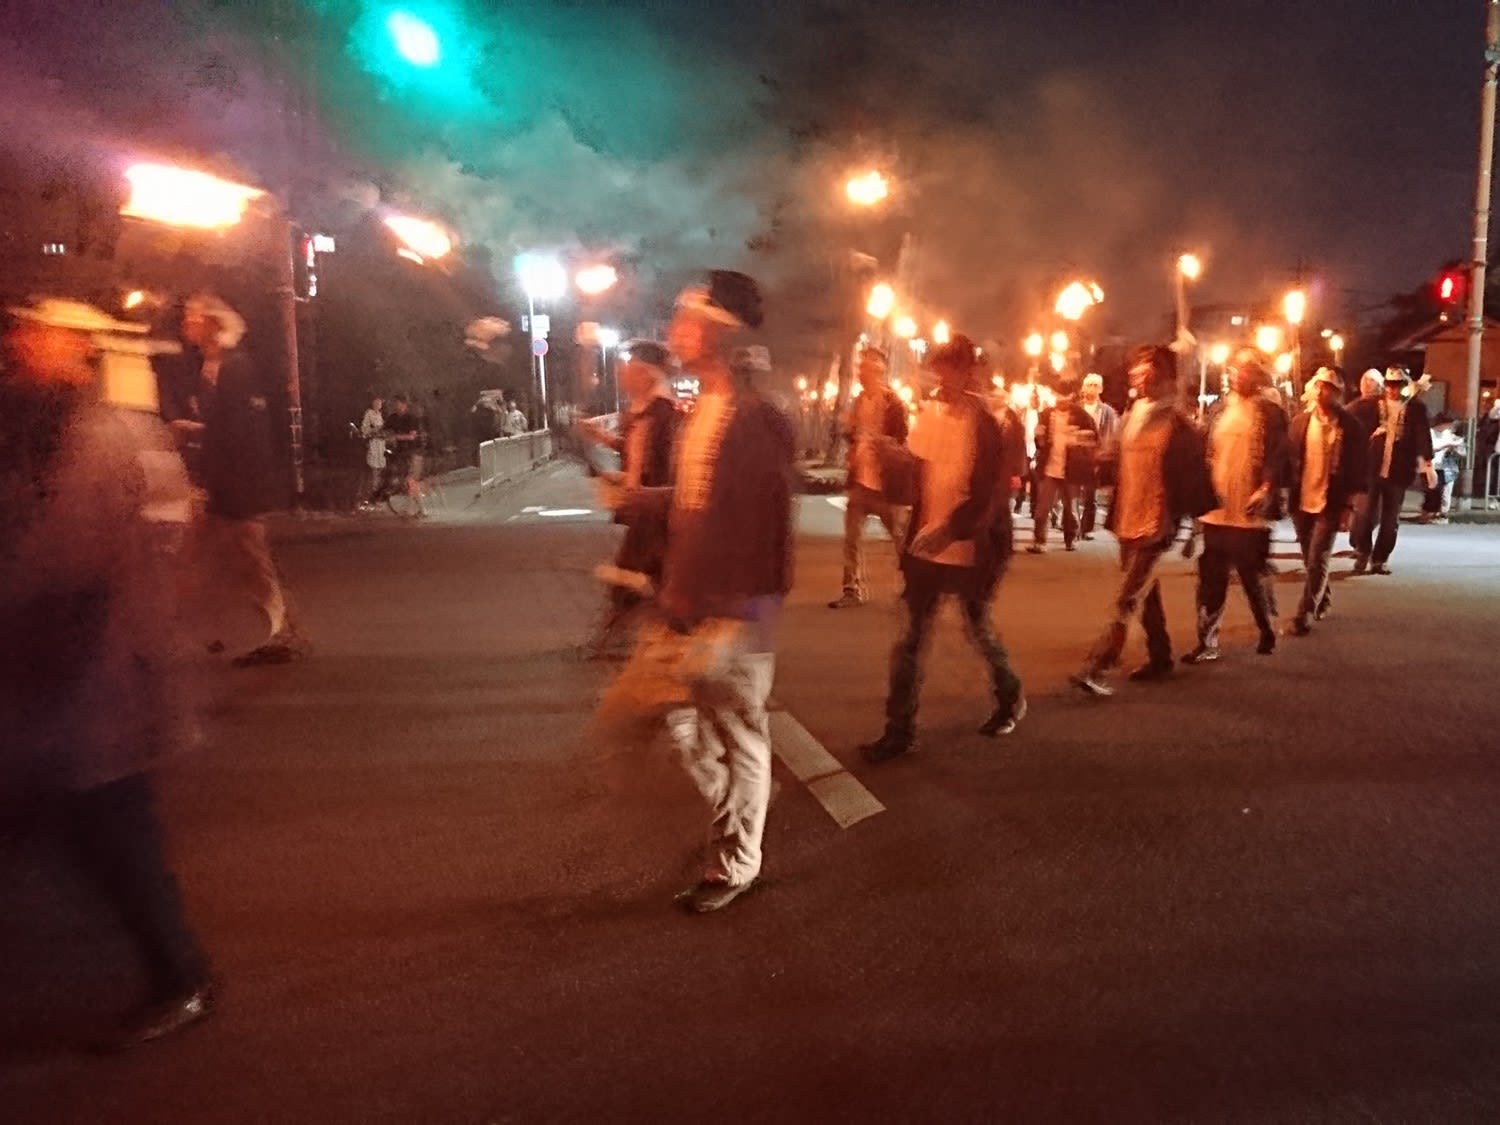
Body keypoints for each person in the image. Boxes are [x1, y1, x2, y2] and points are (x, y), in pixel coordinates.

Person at [1, 299, 215, 1050]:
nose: (21, 350)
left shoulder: (91, 440)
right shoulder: (102, 433)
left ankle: (181, 976)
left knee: (113, 836)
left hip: (90, 682)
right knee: (92, 833)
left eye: (38, 339)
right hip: (87, 681)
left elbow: (58, 565)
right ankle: (173, 971)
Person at [596, 270, 794, 914]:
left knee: (739, 735)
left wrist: (734, 615)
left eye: (688, 319)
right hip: (684, 602)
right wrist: (643, 501)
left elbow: (764, 531)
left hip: (732, 612)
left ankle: (738, 861)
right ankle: (743, 807)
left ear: (718, 332)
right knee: (669, 719)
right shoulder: (699, 411)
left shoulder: (757, 420)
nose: (674, 330)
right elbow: (695, 504)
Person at [858, 335, 1027, 763]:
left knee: (978, 629)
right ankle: (899, 730)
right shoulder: (930, 415)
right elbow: (916, 473)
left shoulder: (989, 425)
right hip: (925, 548)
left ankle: (1010, 697)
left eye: (950, 369)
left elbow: (989, 495)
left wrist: (951, 530)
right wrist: (890, 456)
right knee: (911, 638)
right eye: (939, 369)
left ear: (969, 372)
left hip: (970, 548)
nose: (942, 378)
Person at [1073, 345, 1213, 696]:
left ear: (1163, 374)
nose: (1136, 376)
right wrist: (1099, 457)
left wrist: (1191, 529)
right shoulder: (1134, 413)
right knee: (1146, 593)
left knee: (1128, 597)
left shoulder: (1176, 422)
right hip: (1128, 517)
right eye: (1135, 370)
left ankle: (1099, 665)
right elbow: (1117, 459)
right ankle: (1161, 656)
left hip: (1157, 522)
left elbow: (1194, 479)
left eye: (1144, 370)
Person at [174, 293, 306, 666]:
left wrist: (229, 485)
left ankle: (285, 632)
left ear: (211, 324)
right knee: (208, 560)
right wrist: (198, 430)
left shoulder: (236, 367)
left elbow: (245, 434)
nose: (186, 322)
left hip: (237, 488)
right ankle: (212, 629)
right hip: (224, 486)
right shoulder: (212, 367)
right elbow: (226, 427)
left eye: (193, 316)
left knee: (249, 561)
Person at [1184, 349, 1288, 663]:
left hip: (1251, 510)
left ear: (1257, 376)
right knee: (1211, 576)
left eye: (1244, 371)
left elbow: (1279, 455)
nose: (1236, 376)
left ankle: (1266, 627)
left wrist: (1267, 487)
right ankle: (1207, 640)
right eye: (1233, 370)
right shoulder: (1219, 410)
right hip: (1218, 508)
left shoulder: (1270, 412)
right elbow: (1205, 452)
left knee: (1251, 575)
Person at [579, 339, 681, 655]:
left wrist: (636, 487)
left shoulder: (661, 413)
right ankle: (630, 633)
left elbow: (661, 464)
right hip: (648, 505)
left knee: (639, 570)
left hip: (655, 508)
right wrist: (617, 467)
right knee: (646, 572)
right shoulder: (648, 411)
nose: (622, 377)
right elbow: (638, 453)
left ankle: (625, 634)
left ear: (647, 374)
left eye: (629, 370)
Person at [1286, 368, 1367, 635]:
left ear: (1338, 392)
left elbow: (1358, 470)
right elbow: (1288, 459)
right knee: (1310, 559)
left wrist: (1349, 507)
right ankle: (1323, 596)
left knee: (1319, 557)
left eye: (1330, 388)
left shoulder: (1350, 427)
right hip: (1302, 501)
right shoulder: (1301, 422)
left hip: (1330, 502)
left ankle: (1305, 612)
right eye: (1320, 386)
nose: (1323, 393)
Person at [829, 345, 910, 608]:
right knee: (851, 538)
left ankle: (913, 583)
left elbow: (902, 440)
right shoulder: (858, 401)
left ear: (878, 372)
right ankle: (851, 589)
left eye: (865, 369)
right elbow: (851, 435)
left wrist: (879, 441)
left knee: (898, 537)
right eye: (859, 368)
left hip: (885, 485)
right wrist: (850, 432)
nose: (860, 373)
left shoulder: (893, 403)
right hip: (860, 482)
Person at [1354, 367, 1434, 575]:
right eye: (1389, 384)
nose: (1392, 389)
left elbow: (1422, 435)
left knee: (1390, 519)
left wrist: (1428, 463)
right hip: (1372, 467)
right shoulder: (1372, 403)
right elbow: (1348, 415)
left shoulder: (1415, 407)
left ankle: (1380, 558)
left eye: (1397, 385)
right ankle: (1363, 550)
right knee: (1365, 515)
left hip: (1398, 469)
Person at [1027, 379, 1098, 553]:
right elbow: (1040, 441)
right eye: (1058, 399)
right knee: (1042, 507)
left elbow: (1092, 438)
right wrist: (1040, 438)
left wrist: (1078, 439)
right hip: (1050, 468)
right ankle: (1039, 540)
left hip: (1071, 469)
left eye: (1064, 399)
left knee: (1070, 508)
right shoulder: (1046, 414)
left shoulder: (1081, 416)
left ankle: (1070, 539)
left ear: (1071, 398)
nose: (1061, 403)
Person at [1078, 372, 1121, 540]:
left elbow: (1112, 435)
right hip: (1076, 457)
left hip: (1095, 459)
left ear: (1101, 389)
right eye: (1089, 385)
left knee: (1090, 496)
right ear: (1083, 387)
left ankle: (1086, 528)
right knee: (1071, 495)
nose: (1092, 389)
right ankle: (1069, 524)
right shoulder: (1076, 408)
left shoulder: (1108, 412)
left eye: (1096, 385)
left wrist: (1104, 455)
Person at [1420, 414, 1465, 524]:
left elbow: (1460, 450)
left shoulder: (1447, 434)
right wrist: (1446, 445)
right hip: (1428, 465)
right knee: (1431, 491)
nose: (1449, 427)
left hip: (1442, 466)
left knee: (1438, 491)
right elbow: (1429, 449)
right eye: (1448, 424)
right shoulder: (1429, 433)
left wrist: (1455, 446)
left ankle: (1434, 515)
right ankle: (1427, 515)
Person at [360, 393, 386, 503]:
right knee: (373, 470)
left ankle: (376, 495)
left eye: (380, 402)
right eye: (376, 402)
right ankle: (369, 496)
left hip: (381, 444)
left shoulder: (380, 414)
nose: (378, 404)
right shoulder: (369, 414)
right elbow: (364, 430)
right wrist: (374, 431)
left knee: (380, 470)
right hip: (374, 444)